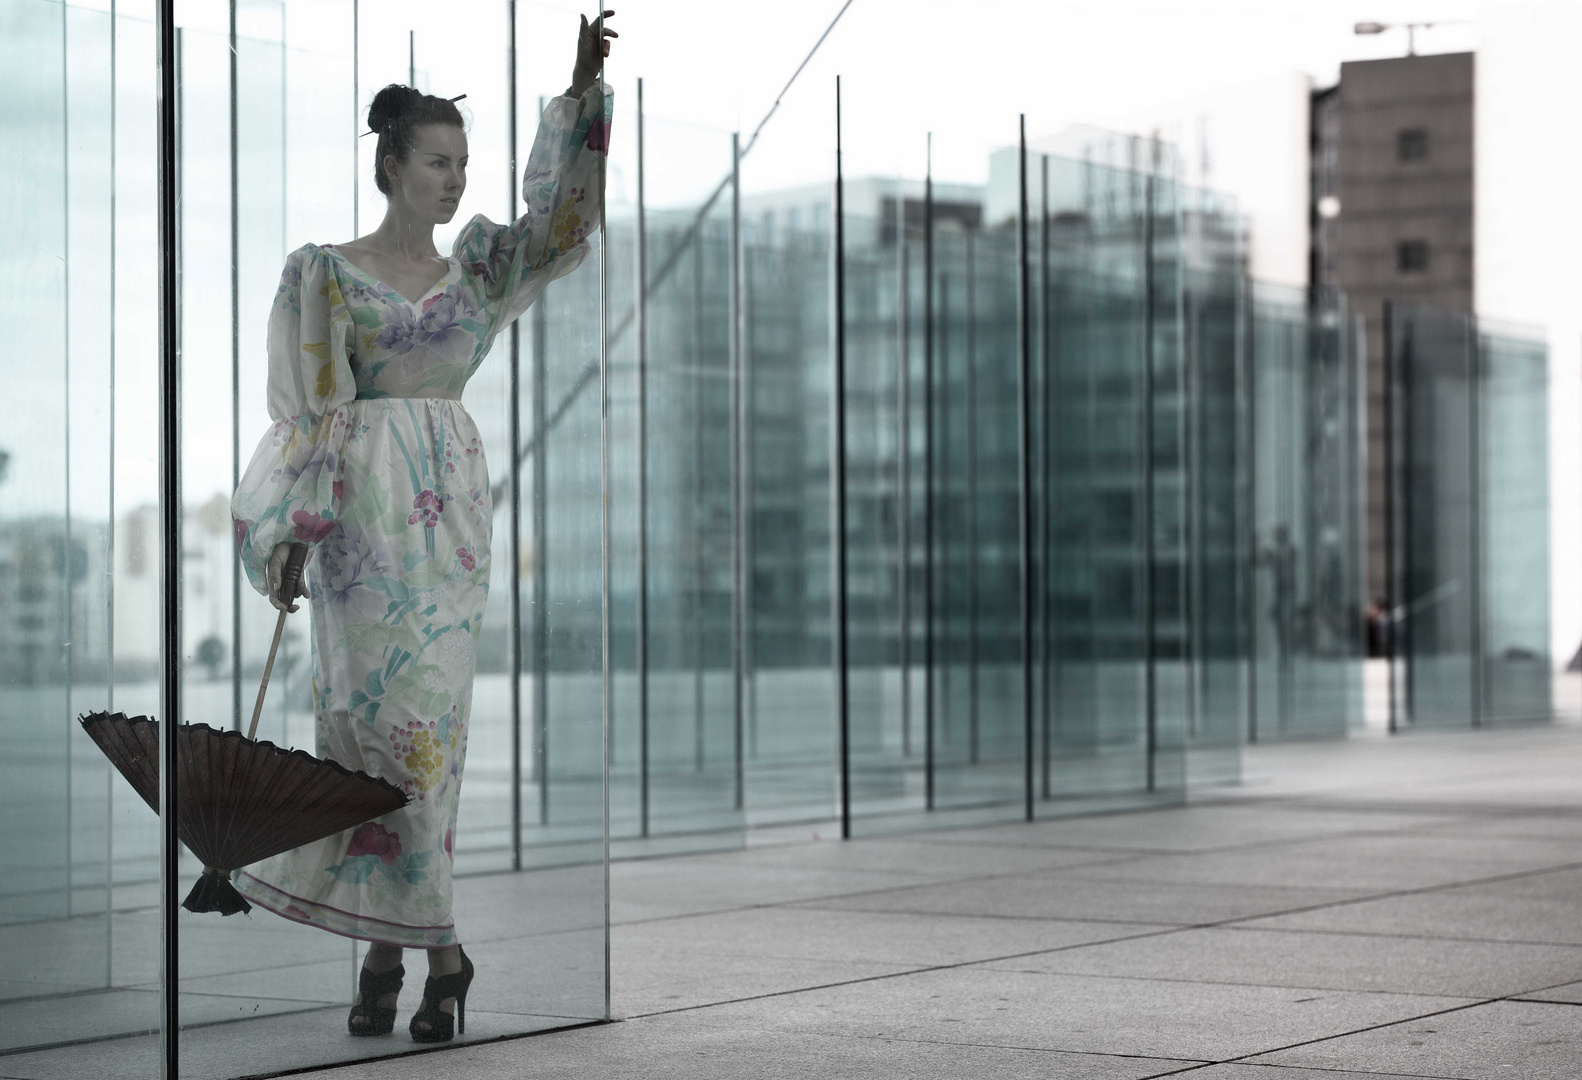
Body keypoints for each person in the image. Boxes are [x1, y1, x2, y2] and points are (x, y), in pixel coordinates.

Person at [229, 11, 616, 1044]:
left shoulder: (482, 271)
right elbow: (305, 416)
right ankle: (425, 952)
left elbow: (564, 228)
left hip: (447, 531)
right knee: (364, 742)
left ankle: (404, 950)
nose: (453, 180)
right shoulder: (325, 274)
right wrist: (288, 535)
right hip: (362, 530)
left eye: (462, 164)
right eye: (436, 162)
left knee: (425, 746)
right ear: (391, 164)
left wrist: (578, 99)